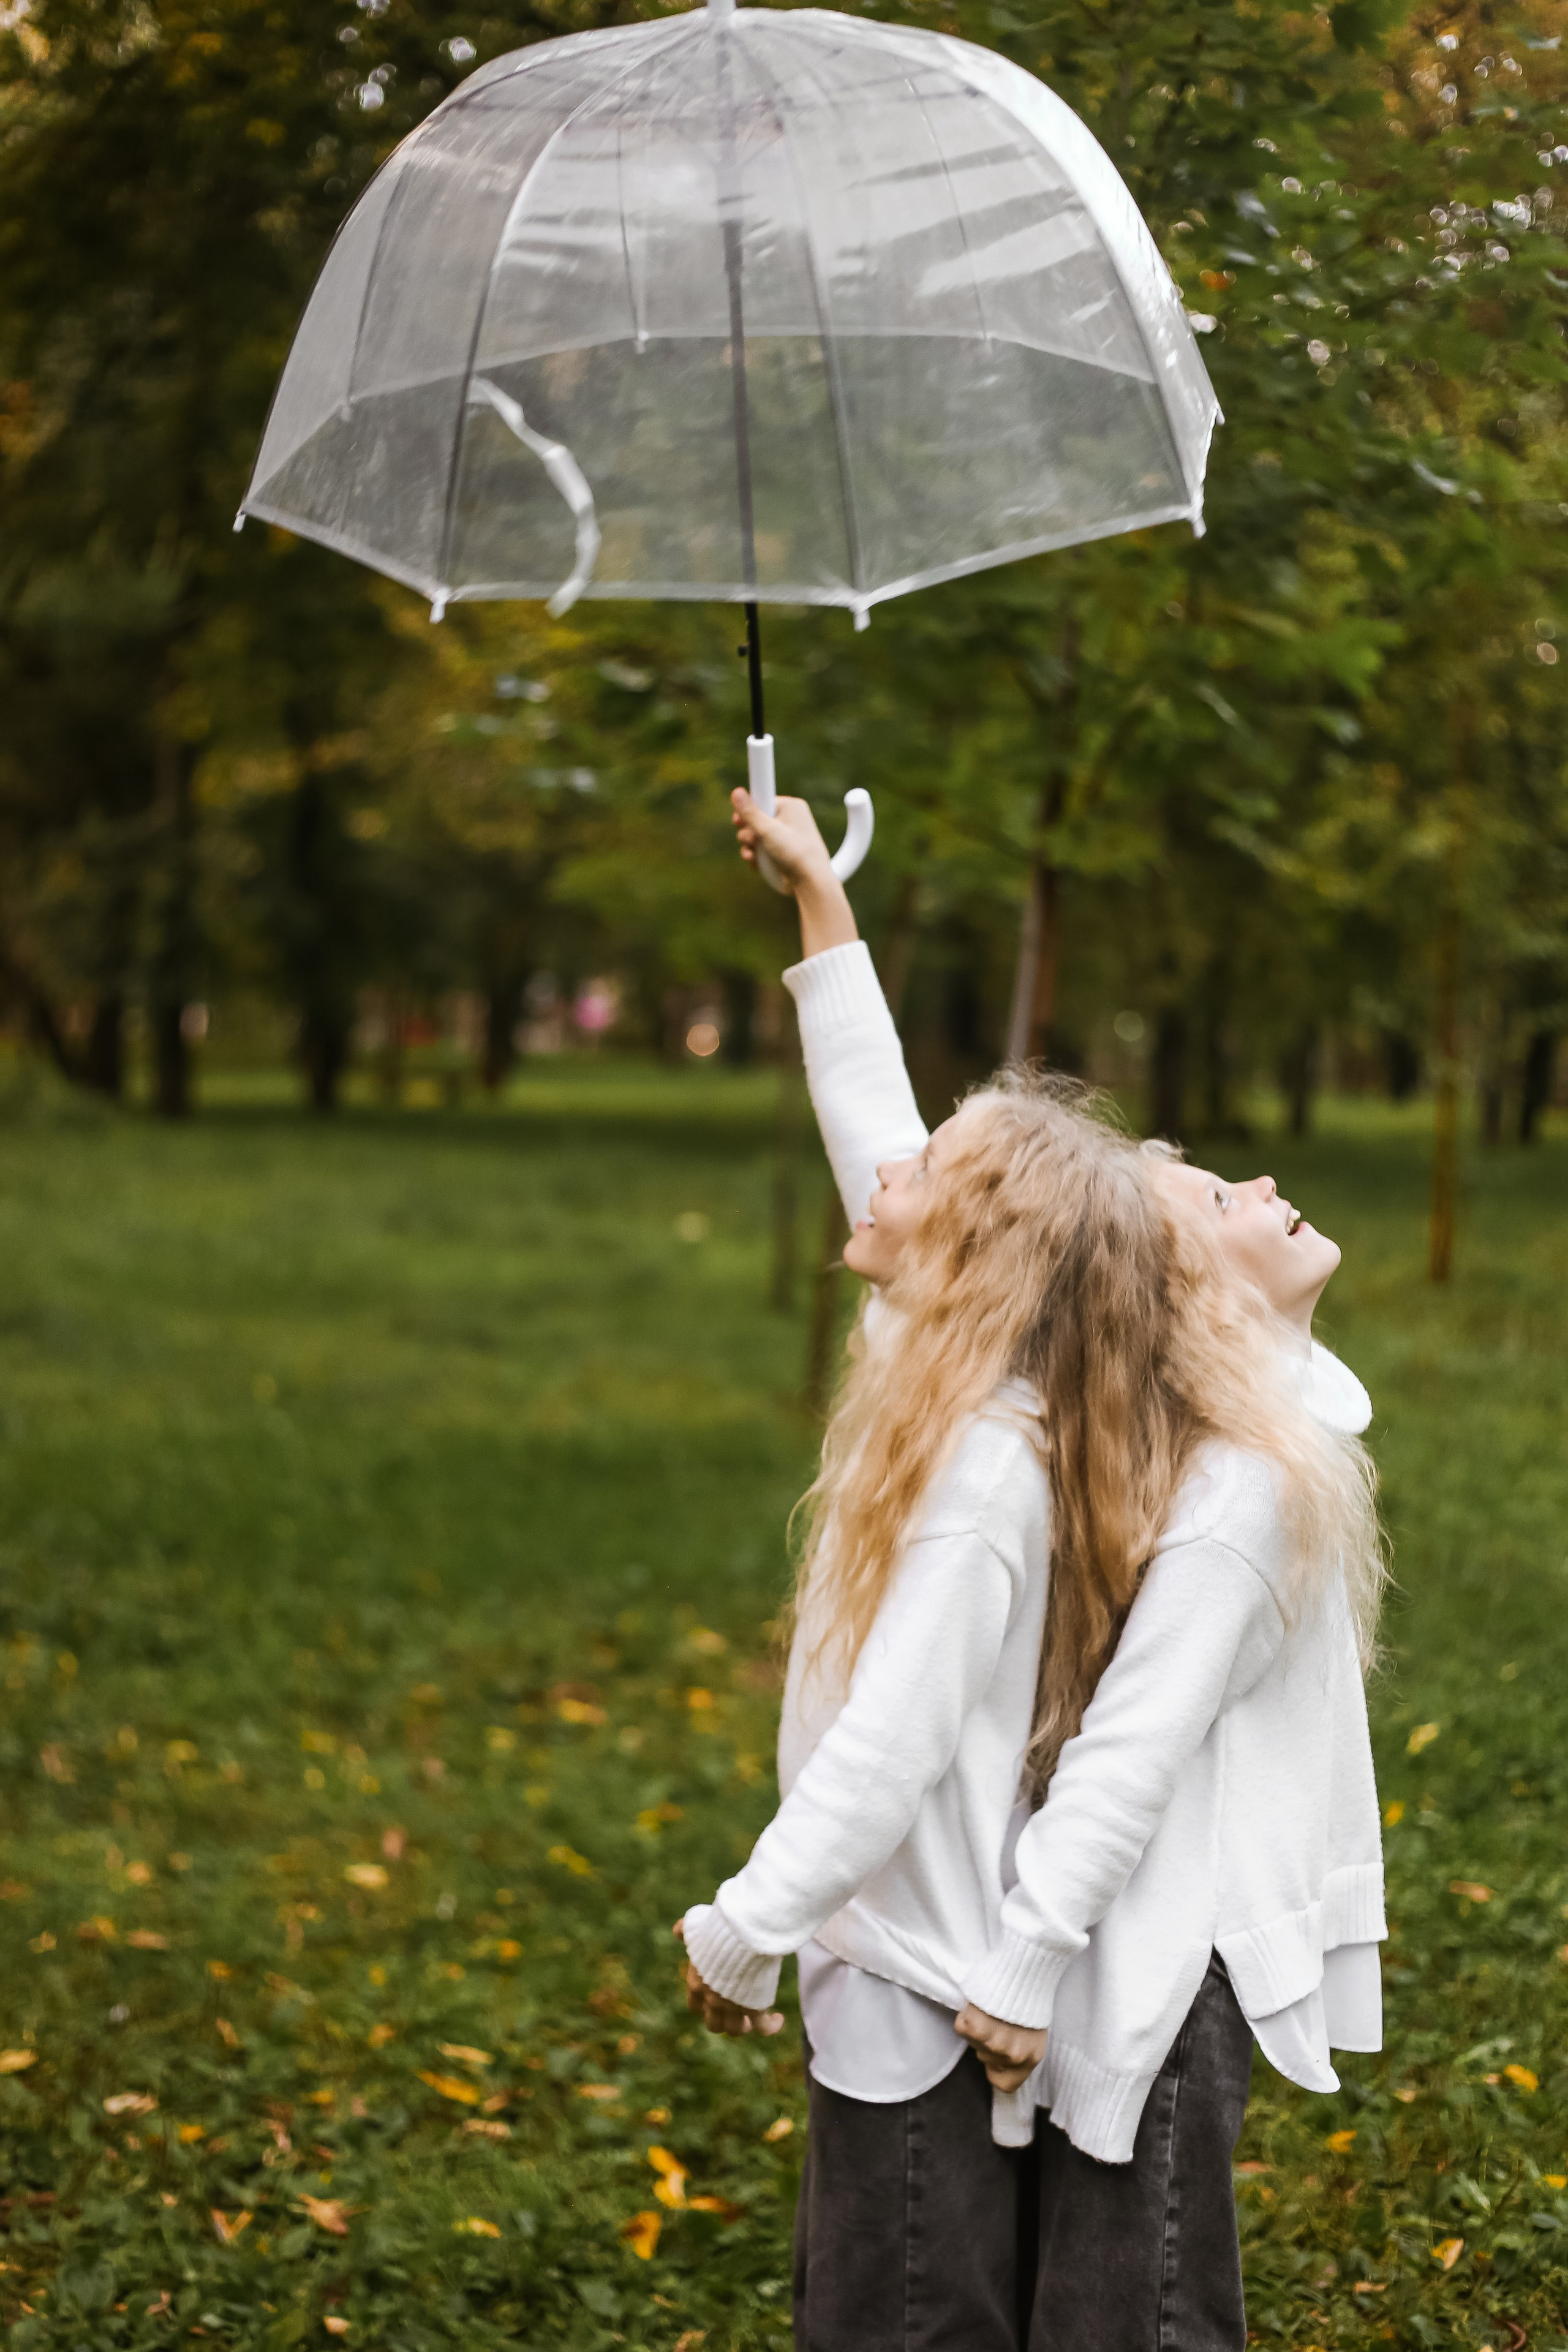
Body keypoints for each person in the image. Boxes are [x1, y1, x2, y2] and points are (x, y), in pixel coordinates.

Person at [677, 789, 1387, 2352]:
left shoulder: (1206, 1469)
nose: (1256, 1184)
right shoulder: (1003, 1373)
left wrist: (786, 1921)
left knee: (1051, 2304)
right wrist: (818, 905)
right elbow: (884, 1140)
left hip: (1080, 1954)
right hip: (1015, 1945)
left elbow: (1072, 1740)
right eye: (1215, 1191)